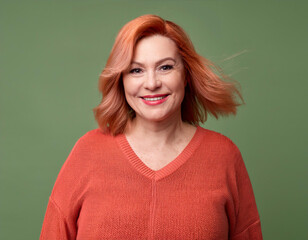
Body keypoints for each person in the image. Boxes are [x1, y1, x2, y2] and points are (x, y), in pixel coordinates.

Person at [40, 15, 262, 240]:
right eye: (136, 70)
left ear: (185, 75)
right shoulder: (87, 152)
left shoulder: (223, 155)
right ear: (121, 80)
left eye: (165, 67)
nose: (152, 83)